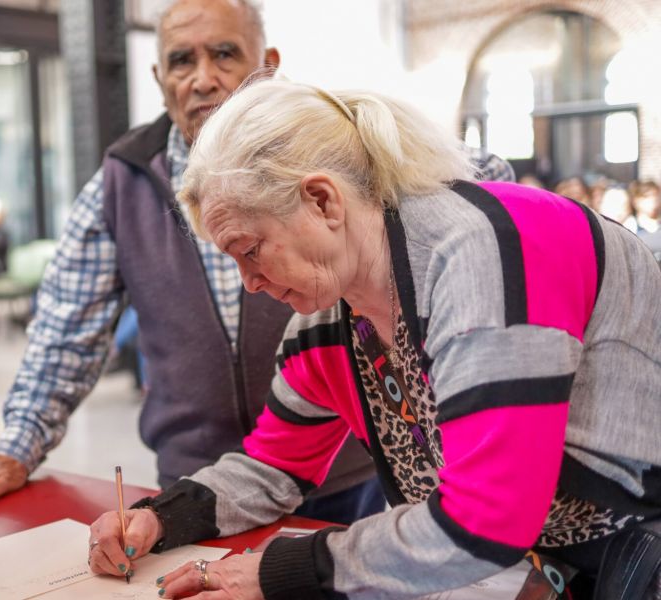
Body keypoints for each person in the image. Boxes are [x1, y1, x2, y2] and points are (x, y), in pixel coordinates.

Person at [88, 80, 661, 599]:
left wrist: (281, 571)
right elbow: (272, 468)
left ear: (322, 200)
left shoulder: (481, 254)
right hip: (530, 571)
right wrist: (162, 518)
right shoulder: (330, 327)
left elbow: (487, 519)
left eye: (251, 250)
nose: (251, 283)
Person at [0, 0, 387, 523]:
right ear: (159, 77)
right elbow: (64, 331)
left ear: (268, 65)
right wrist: (17, 445)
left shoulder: (329, 152)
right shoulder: (122, 184)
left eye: (225, 54)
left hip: (345, 476)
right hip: (195, 490)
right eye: (182, 60)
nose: (203, 79)